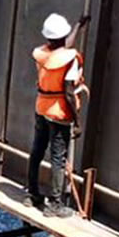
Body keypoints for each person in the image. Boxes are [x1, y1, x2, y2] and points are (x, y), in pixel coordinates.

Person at [25, 13, 90, 214]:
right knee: (57, 157)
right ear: (62, 36)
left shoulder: (44, 54)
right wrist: (77, 122)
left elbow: (62, 48)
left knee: (37, 151)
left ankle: (32, 194)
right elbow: (69, 93)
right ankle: (55, 204)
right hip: (60, 112)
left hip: (42, 108)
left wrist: (78, 25)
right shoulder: (69, 60)